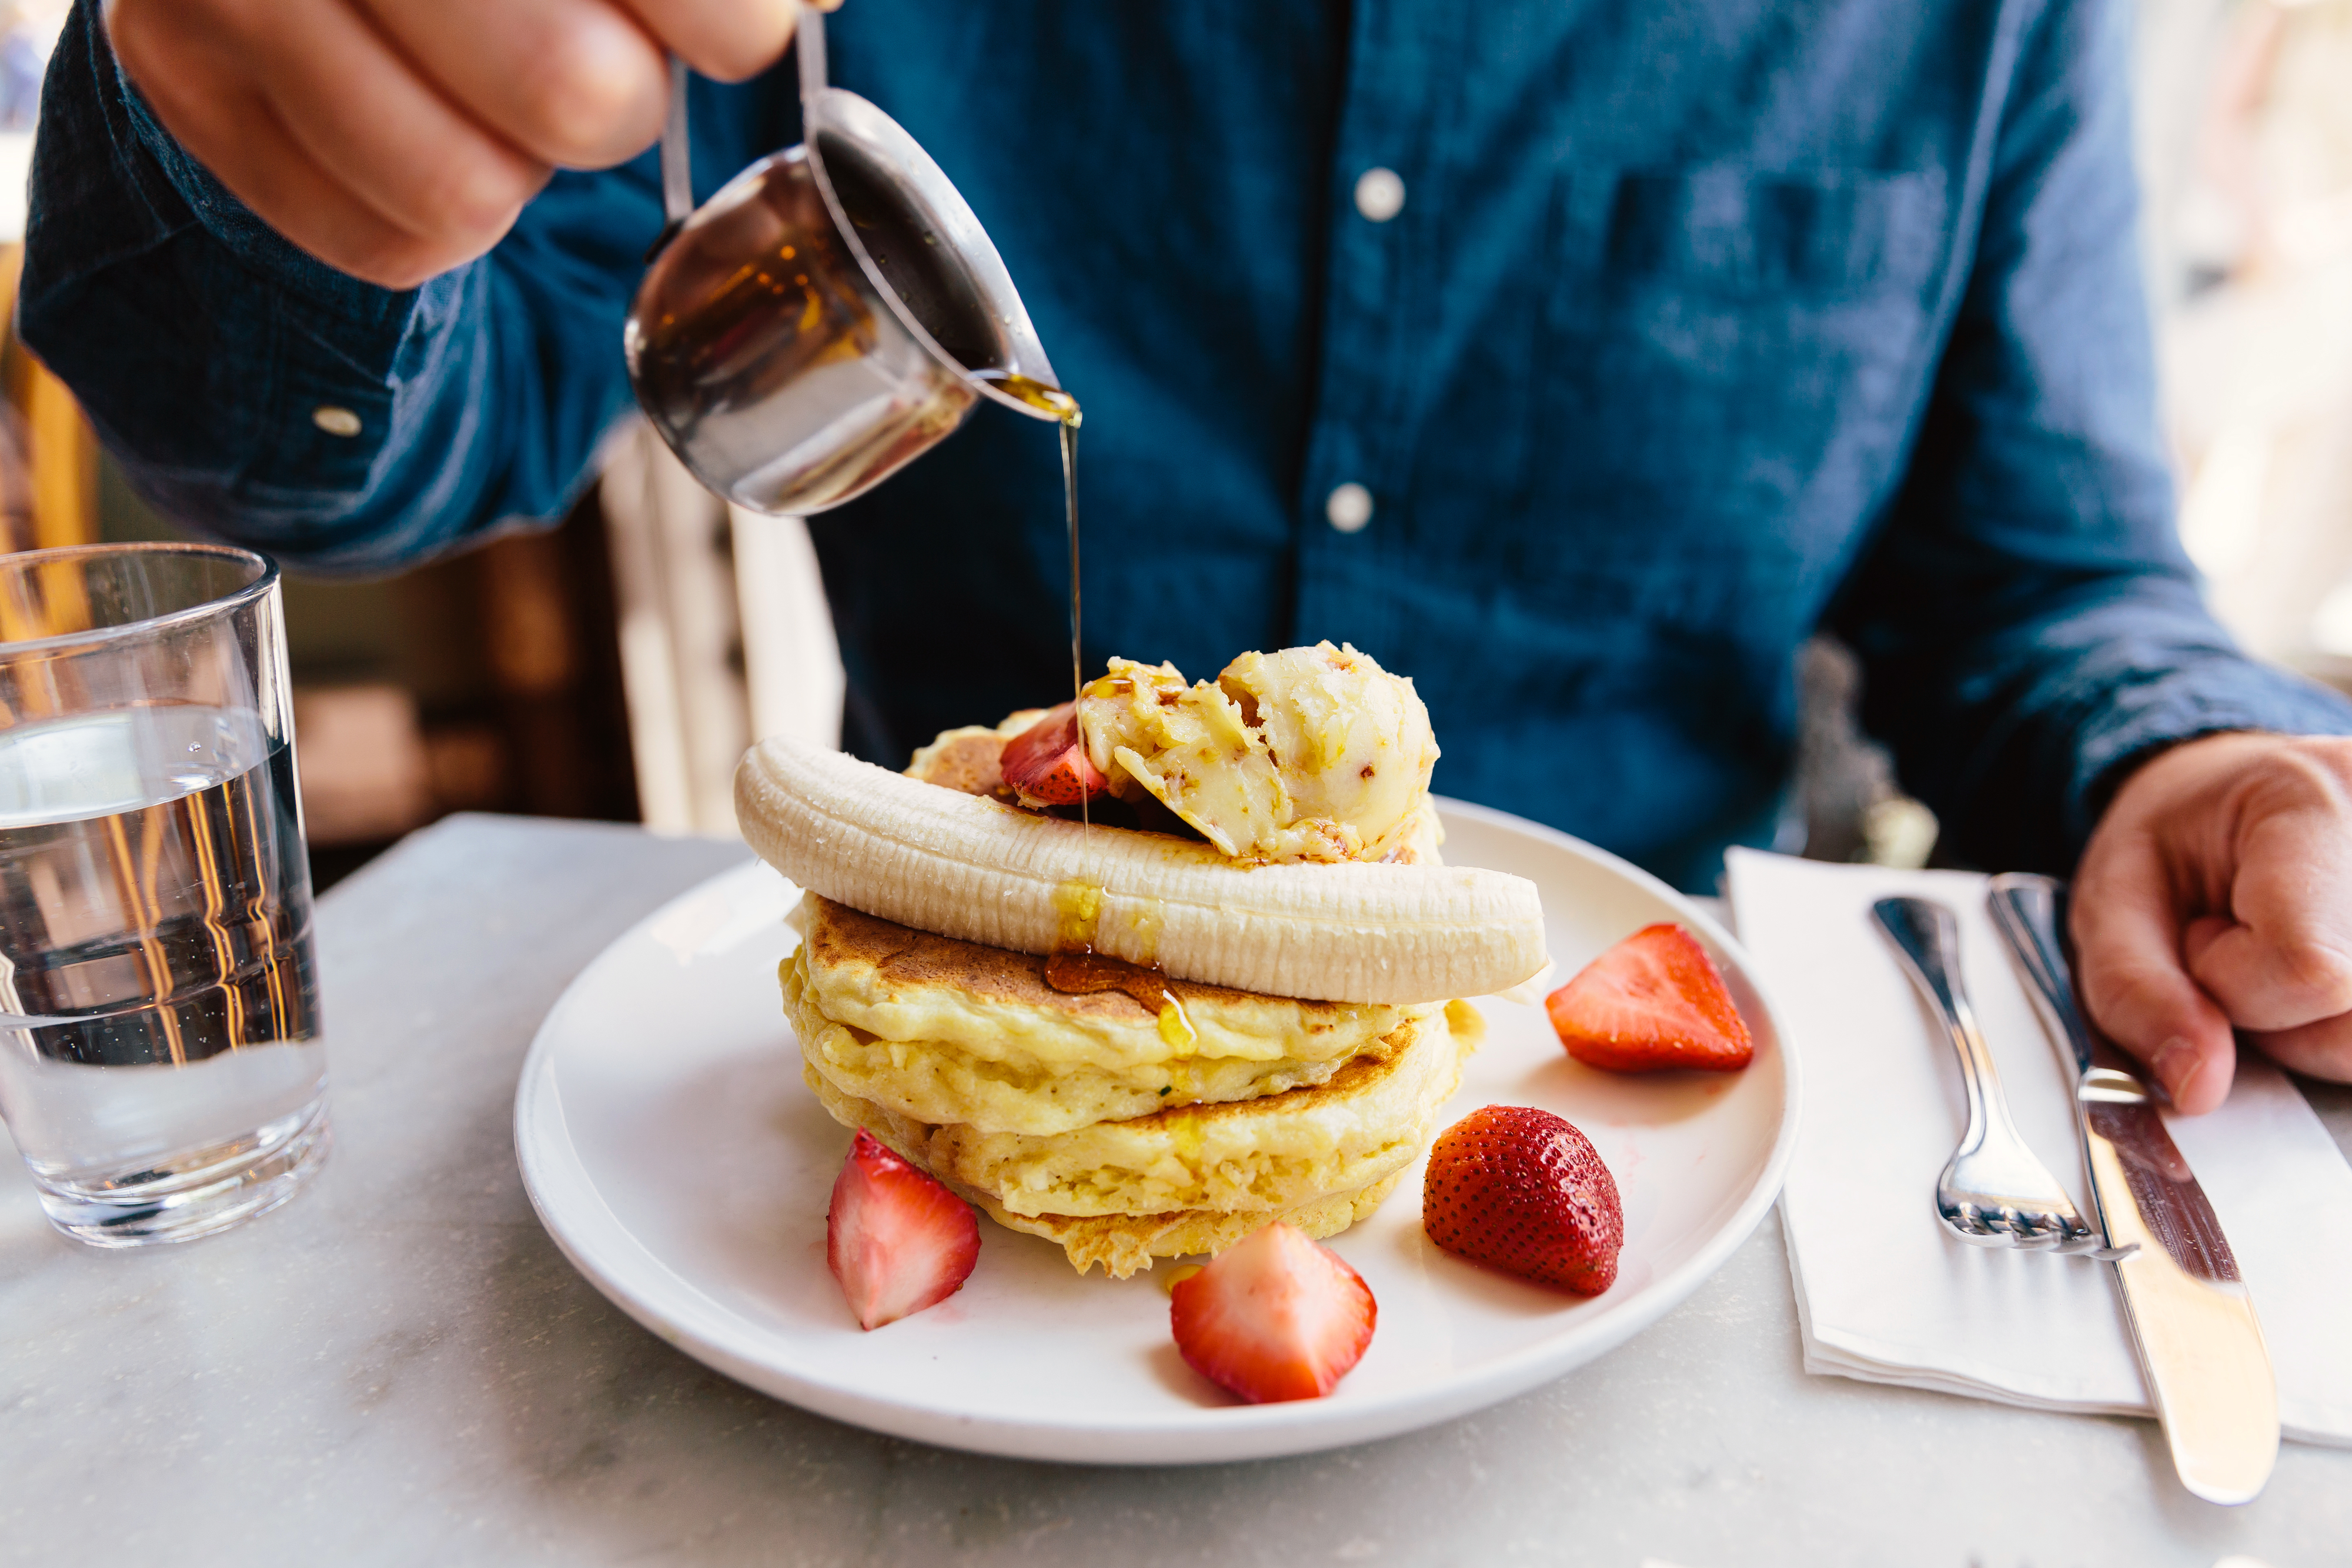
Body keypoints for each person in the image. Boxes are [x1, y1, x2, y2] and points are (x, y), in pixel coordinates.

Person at [20, 0, 2352, 1113]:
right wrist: (281, 164)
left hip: (1637, 1133)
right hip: (933, 1080)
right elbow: (410, 430)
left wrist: (2194, 757)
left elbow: (2037, 586)